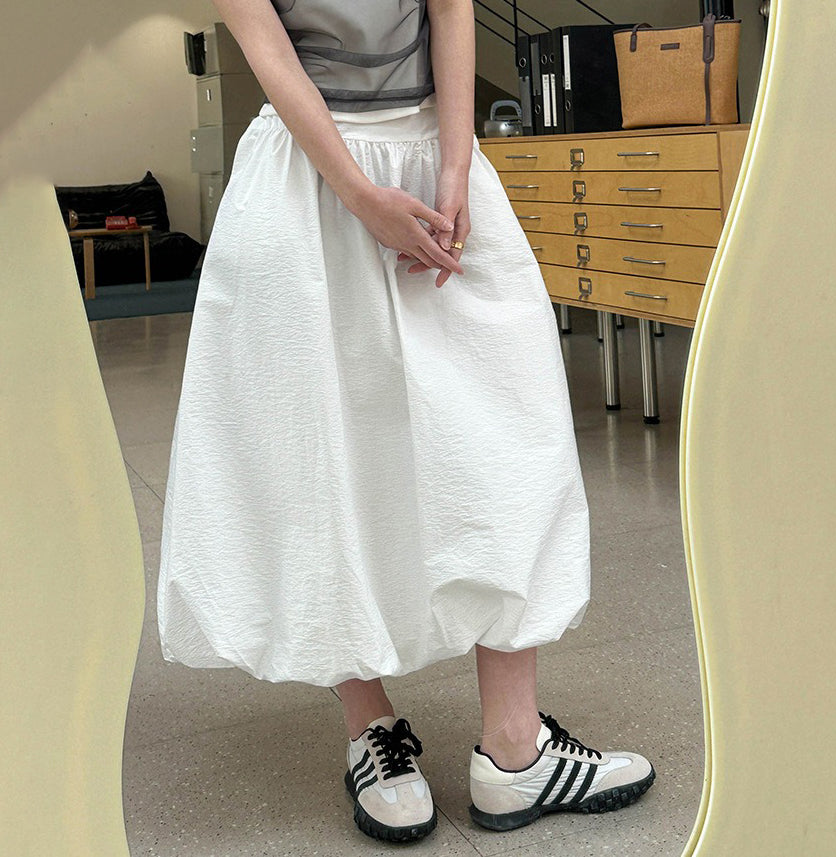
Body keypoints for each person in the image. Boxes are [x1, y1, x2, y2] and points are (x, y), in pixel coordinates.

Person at [157, 0, 654, 844]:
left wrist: (456, 166)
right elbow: (270, 54)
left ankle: (515, 746)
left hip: (435, 154)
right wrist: (359, 194)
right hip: (307, 180)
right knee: (326, 454)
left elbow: (450, 7)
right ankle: (370, 728)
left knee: (507, 442)